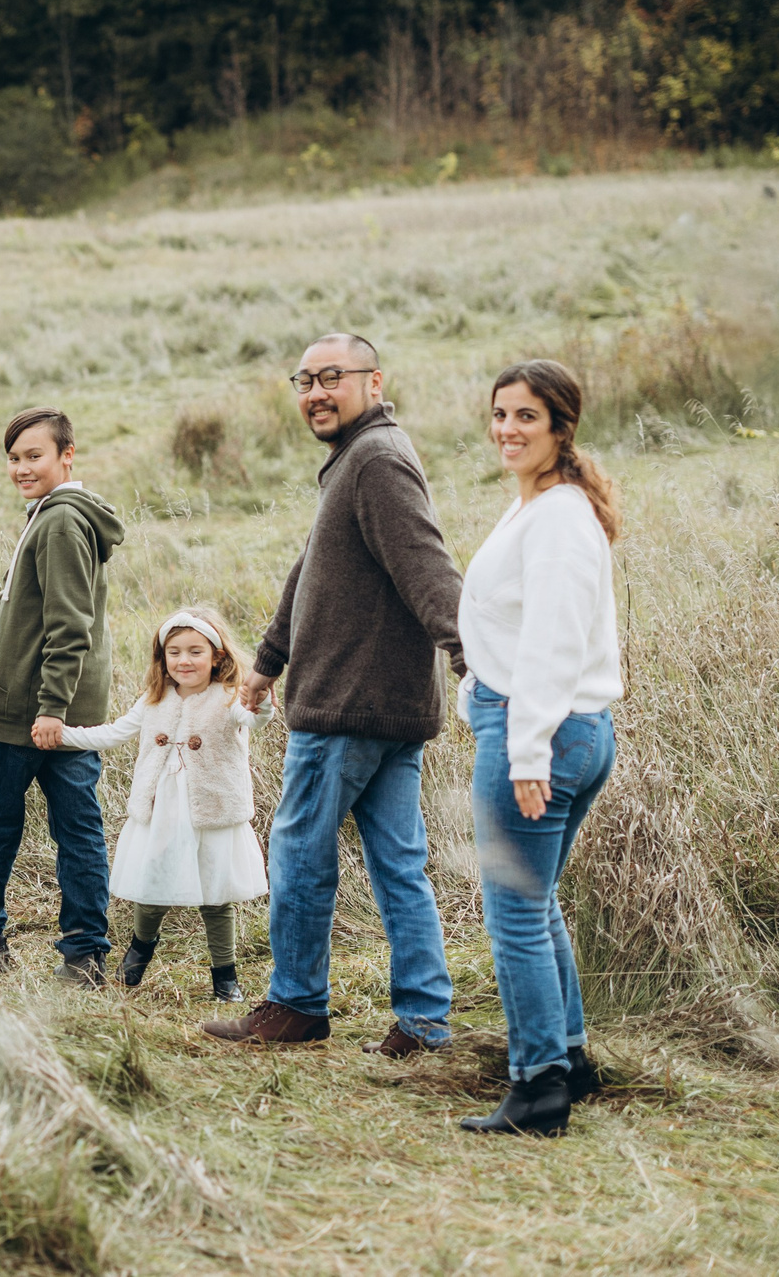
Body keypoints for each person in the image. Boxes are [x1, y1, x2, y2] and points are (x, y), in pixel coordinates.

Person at [201, 332, 465, 1056]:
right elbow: (311, 566)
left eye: (332, 377)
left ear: (374, 380)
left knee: (298, 852)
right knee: (399, 864)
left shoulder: (377, 459)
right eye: (304, 380)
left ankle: (296, 1002)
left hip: (351, 703)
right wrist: (267, 661)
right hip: (384, 703)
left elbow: (427, 568)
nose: (315, 392)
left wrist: (477, 659)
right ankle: (423, 1021)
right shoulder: (354, 460)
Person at [456, 359, 624, 1137]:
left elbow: (553, 642)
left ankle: (537, 1088)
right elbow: (507, 625)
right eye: (499, 414)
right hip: (560, 725)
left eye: (526, 416)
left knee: (514, 915)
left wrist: (525, 751)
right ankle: (570, 1056)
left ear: (561, 425)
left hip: (544, 729)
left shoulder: (558, 517)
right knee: (538, 902)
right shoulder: (538, 505)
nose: (507, 429)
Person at [0, 407, 126, 983]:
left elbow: (70, 623)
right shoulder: (47, 515)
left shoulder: (60, 522)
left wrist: (51, 706)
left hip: (36, 712)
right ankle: (77, 951)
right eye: (14, 458)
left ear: (66, 456)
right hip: (50, 705)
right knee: (72, 827)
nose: (22, 468)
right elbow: (10, 599)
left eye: (35, 456)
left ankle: (5, 942)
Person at [66, 609, 270, 1003]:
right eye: (174, 652)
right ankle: (139, 952)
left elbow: (254, 717)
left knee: (216, 893)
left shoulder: (229, 698)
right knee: (153, 885)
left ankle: (225, 976)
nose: (184, 661)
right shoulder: (154, 699)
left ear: (217, 657)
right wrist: (64, 736)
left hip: (209, 809)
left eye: (196, 651)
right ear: (163, 659)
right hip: (162, 809)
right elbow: (113, 733)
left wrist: (261, 703)